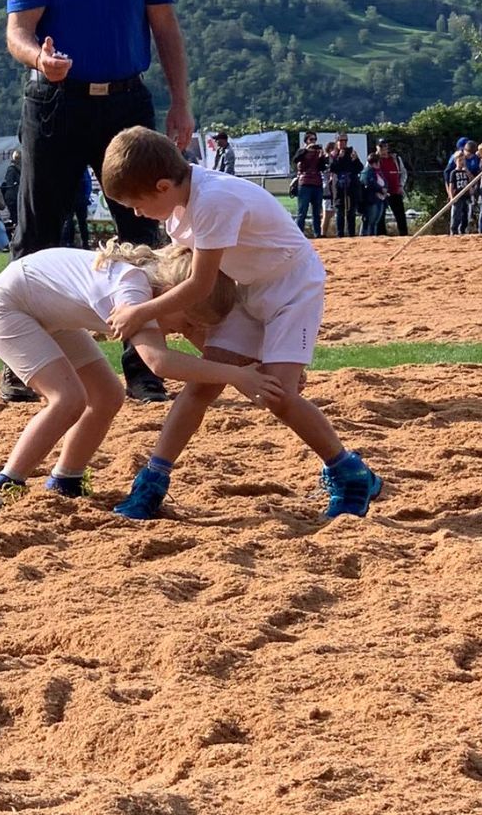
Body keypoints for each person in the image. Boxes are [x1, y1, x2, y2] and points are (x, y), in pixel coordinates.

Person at [98, 127, 383, 520]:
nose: (136, 213)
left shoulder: (213, 201)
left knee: (277, 396)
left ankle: (350, 473)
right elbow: (200, 281)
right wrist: (225, 355)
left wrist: (140, 312)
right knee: (202, 386)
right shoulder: (179, 209)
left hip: (291, 289)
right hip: (246, 289)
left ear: (162, 186)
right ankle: (152, 481)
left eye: (136, 204)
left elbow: (199, 286)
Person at [3, 0, 193, 406]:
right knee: (39, 233)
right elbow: (17, 32)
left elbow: (165, 27)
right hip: (56, 102)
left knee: (142, 234)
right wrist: (41, 59)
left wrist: (181, 102)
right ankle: (23, 367)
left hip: (126, 102)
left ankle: (144, 368)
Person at [0, 242, 284, 516]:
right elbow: (159, 362)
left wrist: (260, 368)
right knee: (68, 399)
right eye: (187, 323)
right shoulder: (132, 290)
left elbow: (206, 346)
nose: (184, 332)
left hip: (48, 312)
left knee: (107, 396)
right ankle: (1, 487)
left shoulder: (154, 290)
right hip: (7, 309)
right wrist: (237, 375)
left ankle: (66, 480)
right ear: (170, 295)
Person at [328, 134, 363, 237]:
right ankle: (340, 234)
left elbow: (359, 168)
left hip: (351, 185)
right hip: (339, 186)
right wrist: (339, 158)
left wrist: (355, 159)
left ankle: (351, 234)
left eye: (345, 140)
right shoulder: (333, 154)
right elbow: (332, 168)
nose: (343, 143)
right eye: (341, 140)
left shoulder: (351, 152)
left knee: (351, 210)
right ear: (336, 142)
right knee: (340, 210)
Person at [374, 139, 408, 236]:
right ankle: (382, 236)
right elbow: (369, 173)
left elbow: (403, 173)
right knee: (380, 216)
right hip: (381, 192)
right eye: (381, 146)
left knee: (400, 215)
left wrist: (401, 185)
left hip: (395, 190)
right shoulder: (373, 159)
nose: (383, 149)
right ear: (377, 147)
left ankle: (404, 235)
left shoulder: (396, 158)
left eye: (385, 146)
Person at [295, 132, 326, 237]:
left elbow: (322, 167)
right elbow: (296, 159)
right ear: (306, 141)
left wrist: (322, 157)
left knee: (317, 212)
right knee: (302, 211)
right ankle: (299, 234)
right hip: (305, 183)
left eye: (314, 139)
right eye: (311, 139)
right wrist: (306, 150)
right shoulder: (302, 151)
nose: (313, 142)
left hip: (317, 183)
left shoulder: (318, 152)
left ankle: (317, 234)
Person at [60, 167, 92, 250]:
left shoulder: (81, 170)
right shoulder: (82, 170)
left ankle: (82, 243)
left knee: (77, 222)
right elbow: (88, 184)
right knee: (72, 222)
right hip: (74, 200)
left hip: (77, 199)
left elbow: (88, 184)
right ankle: (73, 243)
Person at [360, 153, 388, 236]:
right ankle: (364, 236)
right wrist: (380, 189)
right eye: (377, 162)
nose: (378, 164)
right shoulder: (366, 172)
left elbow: (384, 181)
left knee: (375, 221)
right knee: (369, 220)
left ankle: (372, 236)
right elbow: (369, 183)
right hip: (371, 200)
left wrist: (385, 189)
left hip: (380, 199)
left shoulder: (379, 172)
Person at [0, 147, 22, 238]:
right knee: (15, 219)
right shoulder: (11, 170)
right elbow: (10, 185)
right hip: (13, 199)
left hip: (18, 197)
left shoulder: (20, 169)